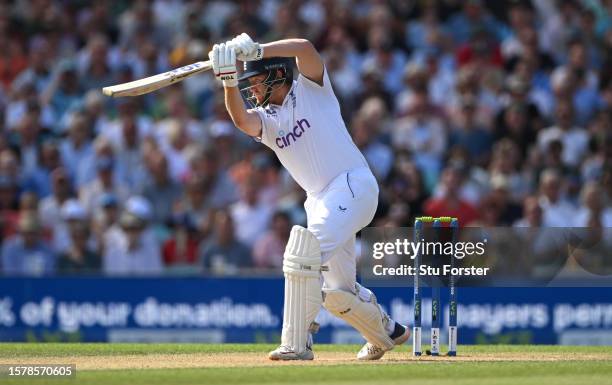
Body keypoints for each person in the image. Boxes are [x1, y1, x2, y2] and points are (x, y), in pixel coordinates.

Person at [207, 33, 408, 361]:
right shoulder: (268, 121)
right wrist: (229, 82)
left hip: (351, 185)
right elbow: (241, 120)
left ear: (277, 74)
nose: (251, 91)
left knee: (303, 255)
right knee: (336, 293)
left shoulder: (313, 90)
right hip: (319, 201)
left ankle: (296, 343)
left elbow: (304, 48)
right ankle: (385, 332)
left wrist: (259, 50)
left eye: (255, 82)